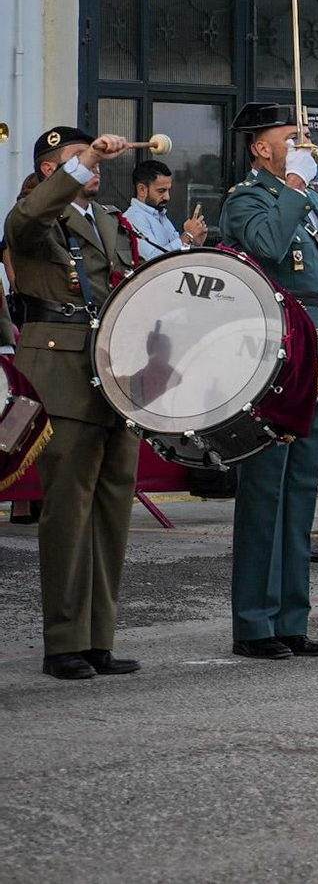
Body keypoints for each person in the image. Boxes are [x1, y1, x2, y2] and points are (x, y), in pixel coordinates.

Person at [216, 104, 318, 659]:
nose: (301, 142)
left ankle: (292, 617)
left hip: (315, 357)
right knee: (265, 494)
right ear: (260, 148)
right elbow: (268, 248)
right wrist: (295, 181)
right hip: (274, 361)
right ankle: (254, 622)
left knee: (301, 497)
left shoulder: (312, 201)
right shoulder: (246, 198)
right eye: (288, 136)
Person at [8, 126, 145, 679]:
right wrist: (83, 159)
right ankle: (62, 642)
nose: (94, 165)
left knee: (112, 508)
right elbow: (29, 219)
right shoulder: (32, 217)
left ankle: (97, 639)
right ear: (49, 171)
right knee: (68, 513)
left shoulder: (108, 219)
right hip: (61, 373)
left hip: (114, 372)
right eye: (75, 159)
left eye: (92, 157)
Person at [125, 159, 205, 261]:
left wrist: (195, 243)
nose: (167, 197)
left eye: (168, 190)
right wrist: (188, 236)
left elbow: (179, 255)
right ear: (142, 190)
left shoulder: (160, 216)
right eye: (161, 191)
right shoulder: (133, 217)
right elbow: (152, 261)